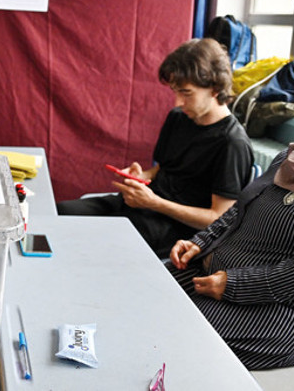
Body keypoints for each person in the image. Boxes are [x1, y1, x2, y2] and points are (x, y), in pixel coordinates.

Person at [168, 63, 294, 369]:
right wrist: (202, 241)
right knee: (140, 291)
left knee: (168, 330)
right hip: (223, 278)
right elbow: (242, 208)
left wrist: (236, 285)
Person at [57, 38, 254, 257]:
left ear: (215, 88)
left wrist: (156, 203)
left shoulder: (232, 143)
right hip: (144, 206)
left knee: (84, 244)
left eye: (186, 93)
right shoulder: (179, 117)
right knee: (60, 213)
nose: (177, 102)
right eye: (175, 91)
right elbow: (164, 168)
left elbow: (218, 218)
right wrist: (142, 176)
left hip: (175, 228)